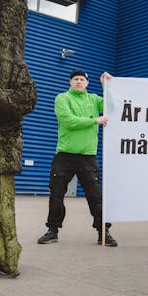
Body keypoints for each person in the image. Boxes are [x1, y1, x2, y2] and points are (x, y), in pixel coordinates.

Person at [37, 69, 118, 247]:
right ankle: (52, 230)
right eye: (75, 79)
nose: (79, 82)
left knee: (96, 196)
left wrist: (107, 86)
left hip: (88, 156)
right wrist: (94, 121)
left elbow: (112, 107)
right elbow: (68, 121)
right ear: (70, 82)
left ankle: (103, 232)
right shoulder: (62, 98)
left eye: (82, 79)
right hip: (64, 155)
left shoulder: (94, 99)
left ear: (88, 83)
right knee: (56, 194)